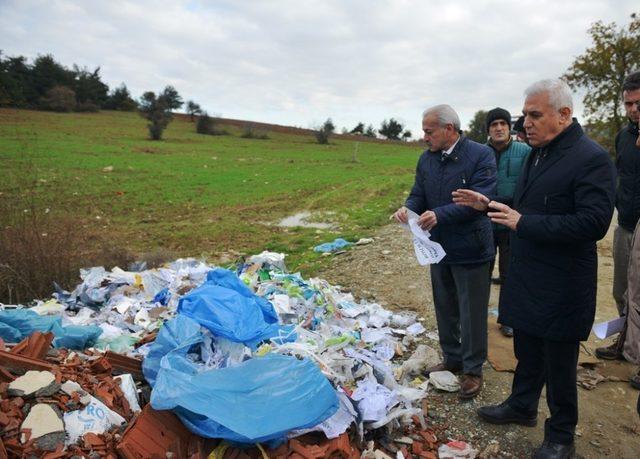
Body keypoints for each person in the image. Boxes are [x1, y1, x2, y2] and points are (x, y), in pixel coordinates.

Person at [452, 79, 615, 458]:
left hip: (562, 282)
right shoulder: (536, 153)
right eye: (525, 114)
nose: (526, 122)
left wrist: (523, 223)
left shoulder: (591, 158)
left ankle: (561, 435)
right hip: (528, 277)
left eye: (535, 114)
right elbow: (526, 203)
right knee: (527, 348)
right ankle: (522, 406)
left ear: (564, 115)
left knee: (559, 364)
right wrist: (487, 202)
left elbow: (593, 223)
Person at [392, 104, 496, 399]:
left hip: (472, 248)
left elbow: (481, 199)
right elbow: (417, 194)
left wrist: (440, 214)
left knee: (471, 311)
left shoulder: (480, 155)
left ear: (449, 130)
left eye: (429, 131)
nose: (424, 137)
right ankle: (452, 357)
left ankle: (473, 369)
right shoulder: (427, 160)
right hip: (437, 249)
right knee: (445, 306)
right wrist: (407, 208)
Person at [595, 70, 640, 368]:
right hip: (625, 221)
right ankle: (625, 341)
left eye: (639, 103)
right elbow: (621, 175)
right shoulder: (623, 136)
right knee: (621, 290)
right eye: (628, 104)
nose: (634, 109)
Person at [485, 108, 531, 337]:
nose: (499, 128)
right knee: (481, 272)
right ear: (489, 130)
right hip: (484, 222)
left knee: (509, 273)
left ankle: (508, 318)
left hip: (511, 222)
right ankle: (475, 316)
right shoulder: (480, 153)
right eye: (494, 124)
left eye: (503, 123)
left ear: (509, 127)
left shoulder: (524, 151)